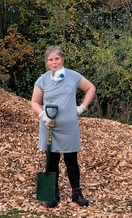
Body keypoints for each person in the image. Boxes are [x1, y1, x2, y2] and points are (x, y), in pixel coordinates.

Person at [31, 46, 96, 208]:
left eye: (57, 59)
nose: (54, 62)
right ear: (46, 62)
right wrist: (43, 116)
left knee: (71, 160)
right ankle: (53, 193)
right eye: (51, 60)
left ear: (62, 59)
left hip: (69, 127)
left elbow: (90, 88)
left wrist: (82, 107)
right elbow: (34, 102)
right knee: (52, 161)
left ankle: (76, 192)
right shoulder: (42, 80)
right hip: (50, 126)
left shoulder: (73, 76)